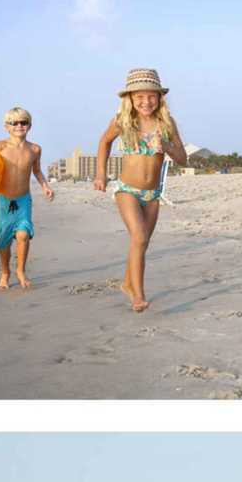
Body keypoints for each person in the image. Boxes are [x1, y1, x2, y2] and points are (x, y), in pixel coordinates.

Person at [93, 69, 187, 312]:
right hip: (127, 191)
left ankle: (127, 283)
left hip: (152, 195)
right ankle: (138, 295)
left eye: (151, 96)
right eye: (140, 97)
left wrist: (165, 145)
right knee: (140, 236)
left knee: (141, 243)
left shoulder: (167, 123)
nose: (146, 102)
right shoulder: (123, 122)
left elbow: (183, 158)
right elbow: (104, 142)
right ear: (130, 99)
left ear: (159, 97)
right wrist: (101, 173)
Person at [0, 106, 54, 289]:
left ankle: (20, 271)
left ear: (29, 125)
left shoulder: (34, 149)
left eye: (23, 122)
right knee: (3, 240)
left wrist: (45, 186)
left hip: (23, 200)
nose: (19, 126)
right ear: (6, 127)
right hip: (4, 200)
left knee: (23, 235)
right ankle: (5, 272)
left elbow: (37, 172)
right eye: (14, 123)